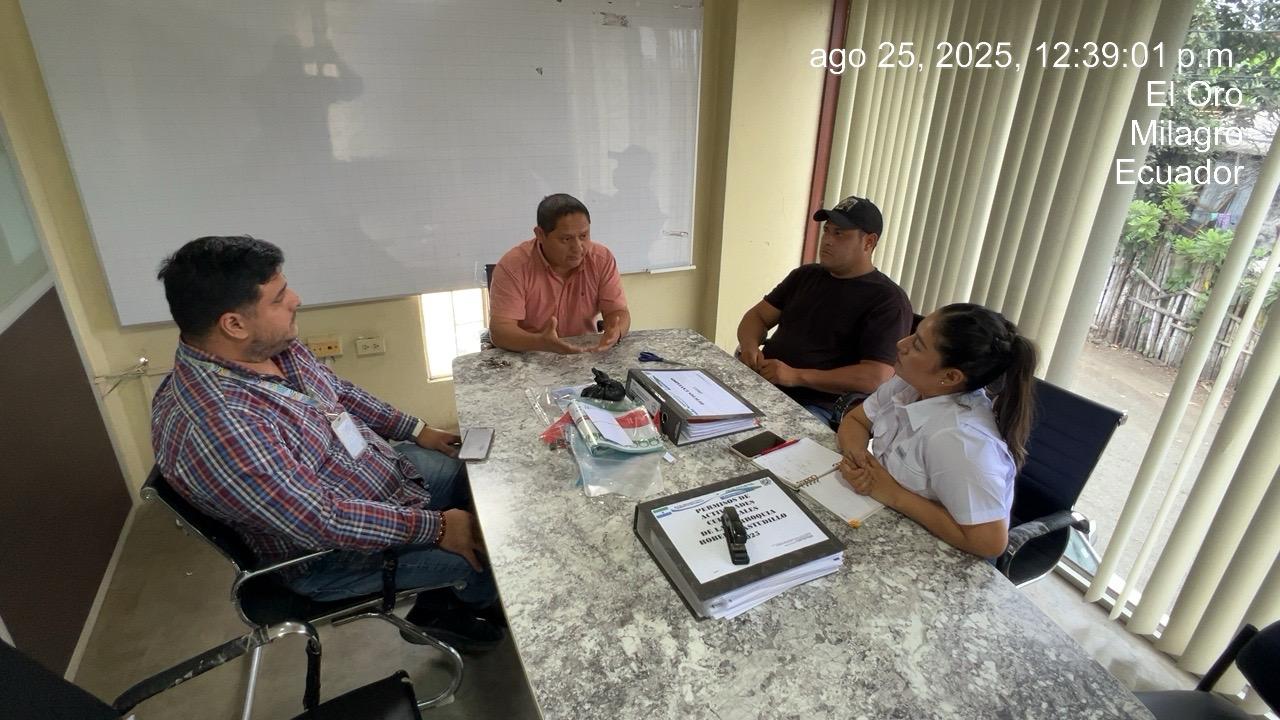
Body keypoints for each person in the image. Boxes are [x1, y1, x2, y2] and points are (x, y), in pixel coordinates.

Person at [150, 235, 503, 651]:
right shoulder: (221, 424)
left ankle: (447, 592)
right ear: (234, 324)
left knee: (481, 477)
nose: (295, 299)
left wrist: (416, 429)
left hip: (386, 477)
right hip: (337, 554)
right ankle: (463, 608)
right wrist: (438, 526)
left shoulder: (269, 346)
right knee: (494, 554)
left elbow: (339, 392)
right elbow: (321, 519)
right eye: (279, 297)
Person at [835, 303, 1038, 559]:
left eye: (918, 345)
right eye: (914, 333)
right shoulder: (910, 383)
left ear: (951, 377)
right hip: (884, 517)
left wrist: (894, 494)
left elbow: (990, 543)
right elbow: (856, 420)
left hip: (937, 554)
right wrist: (859, 461)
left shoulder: (961, 441)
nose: (901, 343)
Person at [736, 195, 913, 425]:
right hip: (763, 383)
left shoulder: (887, 300)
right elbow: (757, 316)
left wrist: (796, 376)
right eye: (826, 231)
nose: (827, 240)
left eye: (839, 234)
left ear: (869, 242)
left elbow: (876, 376)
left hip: (816, 406)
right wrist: (749, 346)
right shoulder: (805, 276)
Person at [488, 193, 631, 354]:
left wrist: (616, 332)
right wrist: (540, 342)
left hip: (585, 355)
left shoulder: (601, 259)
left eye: (583, 236)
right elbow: (500, 331)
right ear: (540, 235)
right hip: (530, 355)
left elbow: (618, 312)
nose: (578, 247)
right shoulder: (513, 266)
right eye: (566, 239)